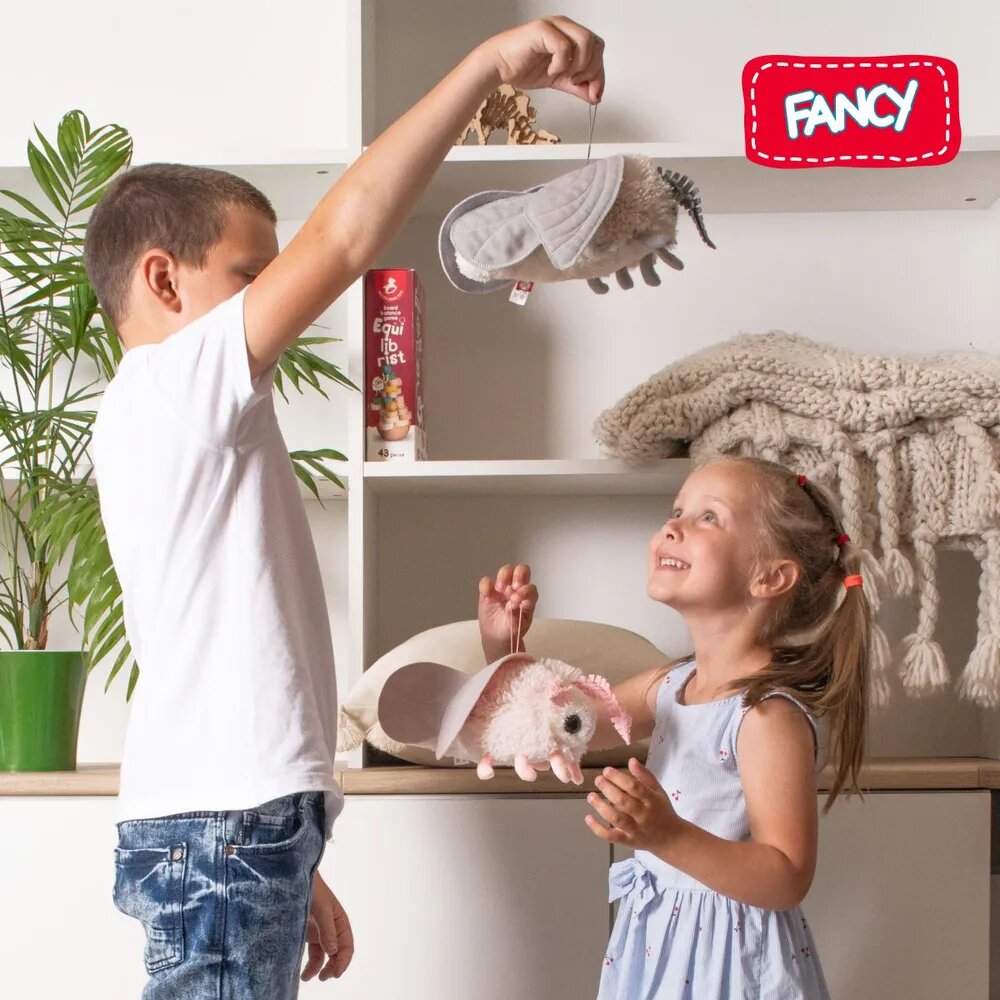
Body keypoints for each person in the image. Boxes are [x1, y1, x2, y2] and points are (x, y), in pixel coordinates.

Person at [86, 16, 605, 997]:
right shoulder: (175, 384)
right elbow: (347, 235)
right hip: (225, 828)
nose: (280, 293)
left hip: (231, 821)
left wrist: (291, 851)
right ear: (162, 278)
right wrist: (487, 67)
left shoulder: (167, 415)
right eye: (254, 275)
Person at [478, 457, 873, 998]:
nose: (672, 526)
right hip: (662, 943)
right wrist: (504, 646)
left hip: (731, 965)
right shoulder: (670, 684)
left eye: (708, 517)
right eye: (677, 510)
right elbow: (556, 724)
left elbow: (787, 876)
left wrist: (669, 836)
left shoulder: (765, 716)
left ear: (771, 576)